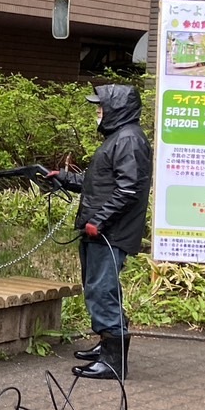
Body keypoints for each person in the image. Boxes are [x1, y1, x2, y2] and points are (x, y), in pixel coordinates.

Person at [47, 84, 152, 381]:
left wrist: (100, 220)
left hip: (110, 233)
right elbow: (100, 181)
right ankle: (106, 345)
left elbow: (128, 190)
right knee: (97, 286)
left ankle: (113, 362)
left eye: (101, 106)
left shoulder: (129, 140)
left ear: (116, 109)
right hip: (103, 230)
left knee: (102, 289)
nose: (97, 111)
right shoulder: (119, 138)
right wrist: (64, 178)